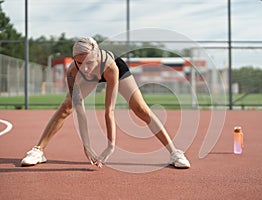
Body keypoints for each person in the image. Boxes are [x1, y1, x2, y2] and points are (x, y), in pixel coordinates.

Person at [21, 37, 190, 169]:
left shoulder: (111, 67)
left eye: (87, 62)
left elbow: (109, 111)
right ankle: (38, 151)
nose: (84, 68)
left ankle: (175, 153)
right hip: (92, 75)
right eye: (79, 62)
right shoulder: (73, 71)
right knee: (67, 107)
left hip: (112, 69)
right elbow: (80, 111)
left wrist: (110, 147)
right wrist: (87, 146)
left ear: (95, 56)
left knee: (141, 109)